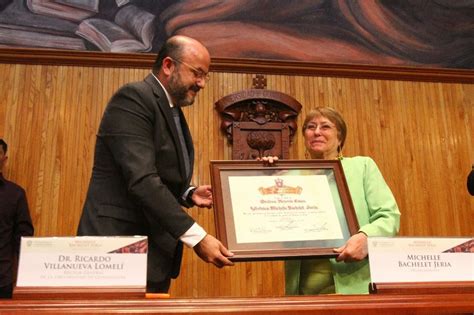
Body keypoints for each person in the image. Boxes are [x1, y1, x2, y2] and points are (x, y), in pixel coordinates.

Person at [77, 35, 233, 293]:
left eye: (205, 76)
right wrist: (198, 238)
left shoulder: (170, 109)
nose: (202, 83)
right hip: (116, 253)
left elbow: (156, 172)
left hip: (151, 254)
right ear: (169, 65)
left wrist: (188, 193)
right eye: (197, 73)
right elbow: (141, 180)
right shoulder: (134, 98)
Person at [284, 107, 400, 294]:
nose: (317, 132)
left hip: (355, 283)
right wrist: (265, 173)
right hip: (303, 288)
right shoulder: (290, 175)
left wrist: (366, 237)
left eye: (325, 126)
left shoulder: (362, 167)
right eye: (310, 127)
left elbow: (389, 216)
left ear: (339, 137)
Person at [0, 139, 34, 298]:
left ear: (4, 159)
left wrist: (27, 280)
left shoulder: (15, 194)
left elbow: (24, 239)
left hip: (1, 280)